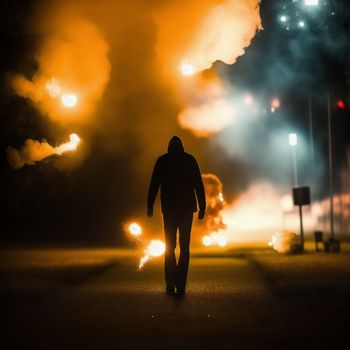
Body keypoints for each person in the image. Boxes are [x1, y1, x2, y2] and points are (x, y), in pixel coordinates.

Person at [147, 136, 206, 295]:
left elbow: (154, 184)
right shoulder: (189, 160)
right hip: (186, 210)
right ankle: (180, 283)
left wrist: (150, 206)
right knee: (184, 247)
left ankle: (170, 282)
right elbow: (198, 184)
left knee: (170, 247)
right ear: (182, 147)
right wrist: (202, 207)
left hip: (170, 209)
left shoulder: (162, 161)